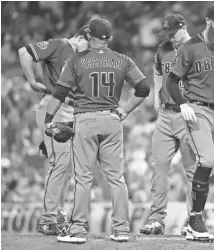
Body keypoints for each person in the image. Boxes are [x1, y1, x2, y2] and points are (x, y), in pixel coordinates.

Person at [44, 18, 150, 243]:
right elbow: (143, 87)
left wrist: (48, 119)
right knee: (117, 178)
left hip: (85, 120)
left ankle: (78, 230)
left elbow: (59, 94)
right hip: (112, 120)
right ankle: (121, 230)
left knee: (83, 179)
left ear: (89, 36)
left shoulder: (76, 60)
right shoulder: (122, 60)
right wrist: (127, 110)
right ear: (109, 38)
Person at [166, 3, 214, 241]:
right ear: (209, 21)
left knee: (207, 168)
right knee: (207, 159)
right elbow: (172, 81)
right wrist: (182, 104)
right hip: (198, 110)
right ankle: (196, 218)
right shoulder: (190, 47)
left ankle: (194, 219)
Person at [18, 26, 90, 235]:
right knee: (59, 164)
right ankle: (48, 218)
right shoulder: (60, 45)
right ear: (80, 37)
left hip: (69, 110)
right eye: (89, 42)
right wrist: (31, 82)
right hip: (54, 107)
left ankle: (57, 214)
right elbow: (24, 52)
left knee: (66, 166)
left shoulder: (78, 57)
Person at [140, 13, 196, 236]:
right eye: (167, 33)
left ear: (183, 27)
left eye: (173, 33)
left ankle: (194, 221)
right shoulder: (163, 48)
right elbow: (157, 69)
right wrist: (157, 91)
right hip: (165, 115)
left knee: (192, 171)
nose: (170, 37)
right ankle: (156, 219)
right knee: (159, 166)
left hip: (189, 116)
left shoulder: (197, 48)